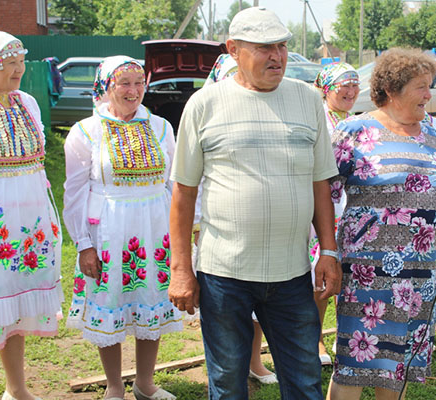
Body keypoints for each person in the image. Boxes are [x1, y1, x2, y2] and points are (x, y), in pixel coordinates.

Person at [168, 7, 341, 399]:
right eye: (264, 48)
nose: (277, 57)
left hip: (292, 273)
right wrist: (180, 268)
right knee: (228, 384)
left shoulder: (308, 100)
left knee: (304, 381)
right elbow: (184, 193)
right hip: (223, 274)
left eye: (281, 46)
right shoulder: (204, 104)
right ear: (233, 49)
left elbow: (320, 183)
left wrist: (328, 250)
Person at [327, 48, 436, 400]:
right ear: (392, 90)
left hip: (421, 273)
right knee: (356, 362)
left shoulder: (435, 135)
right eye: (421, 87)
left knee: (399, 364)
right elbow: (323, 195)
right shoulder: (354, 131)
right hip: (369, 273)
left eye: (430, 86)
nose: (429, 95)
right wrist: (326, 252)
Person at [64, 56, 181, 400]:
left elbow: (174, 183)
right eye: (124, 84)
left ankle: (144, 383)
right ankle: (114, 387)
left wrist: (182, 230)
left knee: (150, 302)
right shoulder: (86, 131)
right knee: (111, 302)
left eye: (138, 83)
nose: (133, 91)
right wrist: (84, 243)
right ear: (106, 87)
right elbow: (74, 194)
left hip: (154, 226)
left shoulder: (160, 127)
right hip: (109, 230)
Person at [202, 52, 278, 385]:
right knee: (226, 311)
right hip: (221, 235)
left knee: (261, 300)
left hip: (267, 231)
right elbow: (190, 185)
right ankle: (227, 372)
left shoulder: (267, 115)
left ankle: (255, 362)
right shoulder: (207, 117)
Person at [0, 31, 62, 400]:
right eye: (10, 62)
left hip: (29, 225)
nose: (18, 69)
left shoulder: (29, 104)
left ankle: (17, 389)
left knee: (15, 308)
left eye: (21, 60)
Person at [311, 62, 360, 365]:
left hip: (352, 208)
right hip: (324, 207)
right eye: (345, 84)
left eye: (356, 84)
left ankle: (347, 337)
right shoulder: (319, 121)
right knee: (320, 278)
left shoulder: (359, 121)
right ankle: (315, 340)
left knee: (351, 278)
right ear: (328, 88)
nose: (352, 91)